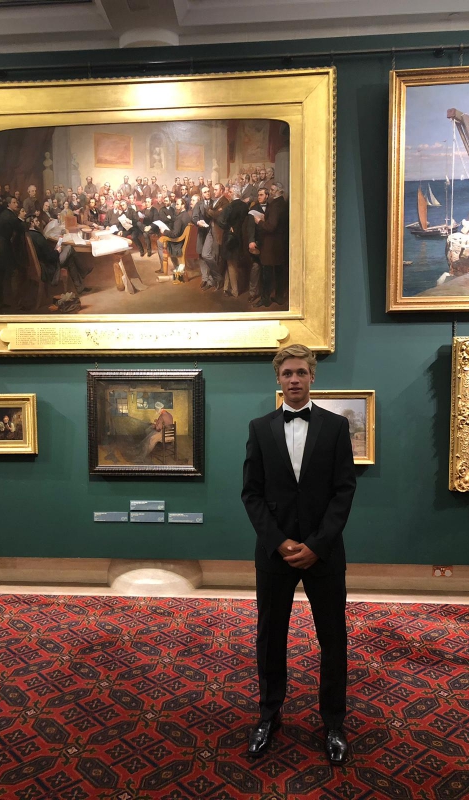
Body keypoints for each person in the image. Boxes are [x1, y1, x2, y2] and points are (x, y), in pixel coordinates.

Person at [242, 344, 356, 766]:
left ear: (312, 377)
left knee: (333, 638)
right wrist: (278, 541)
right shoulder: (259, 427)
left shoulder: (336, 427)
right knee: (270, 637)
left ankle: (334, 723)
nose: (294, 379)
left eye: (301, 372)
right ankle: (268, 715)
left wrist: (317, 545)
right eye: (287, 372)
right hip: (275, 553)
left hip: (324, 553)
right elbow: (251, 493)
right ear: (278, 378)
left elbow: (344, 491)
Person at [26, 214, 92, 296]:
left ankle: (80, 287)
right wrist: (57, 251)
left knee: (70, 258)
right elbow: (51, 257)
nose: (39, 222)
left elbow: (47, 252)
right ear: (31, 223)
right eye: (36, 221)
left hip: (46, 263)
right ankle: (83, 270)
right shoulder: (38, 237)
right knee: (69, 247)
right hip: (50, 265)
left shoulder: (29, 235)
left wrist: (59, 242)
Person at [254, 182, 289, 307]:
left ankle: (265, 299)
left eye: (273, 189)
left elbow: (271, 226)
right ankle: (279, 297)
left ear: (279, 191)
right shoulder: (283, 203)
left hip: (270, 245)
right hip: (280, 244)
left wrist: (259, 221)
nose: (271, 191)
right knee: (279, 272)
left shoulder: (275, 205)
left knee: (267, 274)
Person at [192, 185, 221, 290]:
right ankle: (205, 278)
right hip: (202, 232)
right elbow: (194, 217)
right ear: (202, 194)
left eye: (208, 191)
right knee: (202, 256)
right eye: (205, 192)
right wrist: (198, 222)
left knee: (210, 255)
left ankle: (211, 280)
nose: (207, 193)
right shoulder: (199, 204)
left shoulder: (215, 203)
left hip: (212, 233)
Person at [156, 196, 190, 274]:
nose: (176, 206)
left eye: (178, 204)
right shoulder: (186, 215)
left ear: (183, 205)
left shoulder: (179, 218)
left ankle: (164, 268)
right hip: (184, 241)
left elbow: (175, 234)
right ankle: (176, 267)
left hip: (178, 244)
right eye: (176, 204)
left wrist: (164, 231)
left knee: (159, 242)